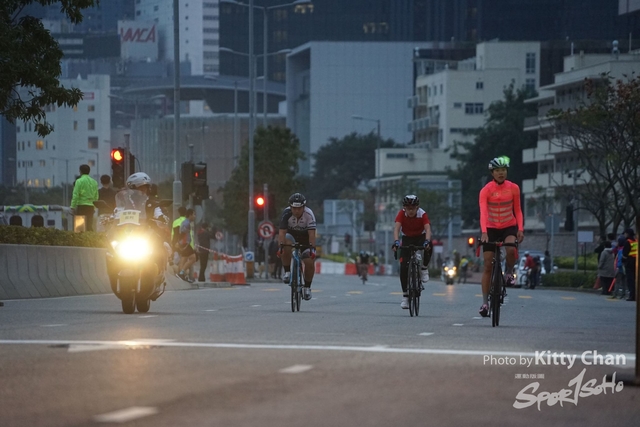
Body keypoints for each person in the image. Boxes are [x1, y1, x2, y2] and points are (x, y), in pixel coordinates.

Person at [478, 156, 524, 317]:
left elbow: (518, 210)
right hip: (490, 227)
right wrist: (484, 232)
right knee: (488, 265)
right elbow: (483, 212)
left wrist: (520, 229)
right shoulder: (486, 190)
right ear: (492, 173)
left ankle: (509, 273)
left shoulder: (513, 188)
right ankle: (485, 303)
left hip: (508, 226)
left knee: (511, 249)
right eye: (497, 170)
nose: (501, 173)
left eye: (503, 170)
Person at [391, 194, 433, 310]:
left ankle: (424, 268)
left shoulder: (422, 214)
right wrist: (396, 242)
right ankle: (405, 296)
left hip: (420, 237)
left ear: (417, 207)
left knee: (430, 246)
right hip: (407, 238)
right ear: (404, 208)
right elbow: (396, 229)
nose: (410, 211)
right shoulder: (401, 214)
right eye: (408, 208)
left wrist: (427, 241)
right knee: (403, 266)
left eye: (413, 208)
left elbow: (428, 229)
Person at [277, 193, 317, 301]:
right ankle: (287, 272)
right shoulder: (286, 213)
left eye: (299, 208)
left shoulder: (309, 215)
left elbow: (312, 235)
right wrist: (280, 247)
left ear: (304, 207)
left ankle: (307, 287)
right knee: (285, 244)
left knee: (309, 261)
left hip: (305, 238)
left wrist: (312, 250)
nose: (296, 211)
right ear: (290, 207)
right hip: (291, 236)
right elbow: (282, 233)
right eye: (294, 208)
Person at [70, 164, 99, 232]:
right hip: (90, 206)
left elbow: (75, 195)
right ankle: (90, 237)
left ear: (80, 171)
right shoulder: (94, 182)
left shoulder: (79, 181)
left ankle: (81, 238)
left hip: (81, 206)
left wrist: (72, 206)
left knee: (80, 227)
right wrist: (94, 207)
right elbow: (96, 196)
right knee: (89, 225)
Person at [176, 209, 197, 283]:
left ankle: (181, 274)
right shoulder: (187, 223)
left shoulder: (186, 222)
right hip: (185, 243)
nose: (195, 216)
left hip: (183, 243)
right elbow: (182, 233)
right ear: (190, 215)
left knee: (184, 259)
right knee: (193, 258)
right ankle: (181, 273)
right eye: (194, 214)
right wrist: (179, 242)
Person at [622, 228, 637, 301]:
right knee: (636, 279)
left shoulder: (627, 242)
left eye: (625, 233)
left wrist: (623, 261)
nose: (624, 235)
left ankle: (632, 296)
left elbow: (625, 254)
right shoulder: (636, 241)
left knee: (630, 280)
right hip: (636, 262)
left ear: (627, 234)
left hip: (629, 262)